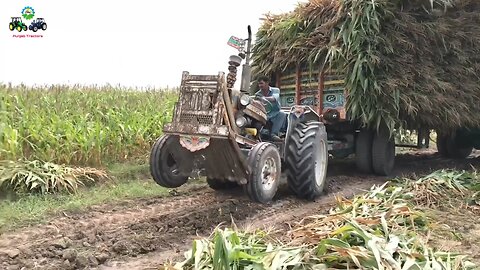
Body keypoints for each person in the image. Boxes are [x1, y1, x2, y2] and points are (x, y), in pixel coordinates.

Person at [255, 75, 286, 141]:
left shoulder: (275, 90)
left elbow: (274, 98)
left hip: (275, 114)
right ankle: (257, 134)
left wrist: (264, 99)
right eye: (259, 84)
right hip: (263, 114)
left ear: (267, 83)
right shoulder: (258, 94)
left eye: (261, 83)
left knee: (282, 114)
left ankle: (273, 134)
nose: (260, 85)